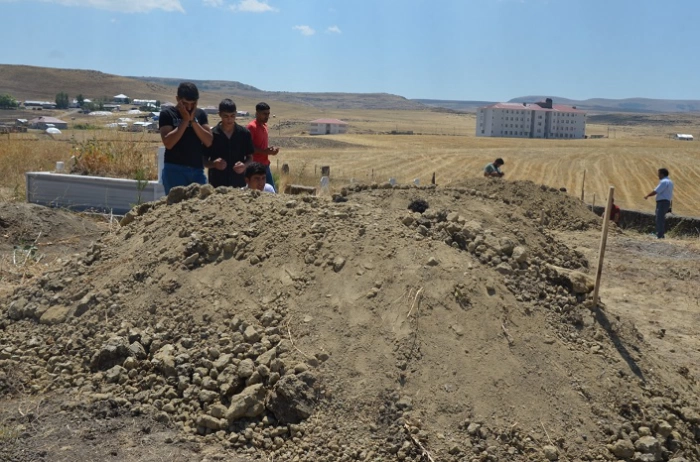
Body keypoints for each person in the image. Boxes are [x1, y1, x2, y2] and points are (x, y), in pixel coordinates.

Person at [159, 82, 213, 194]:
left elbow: (208, 141)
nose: (189, 107)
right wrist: (185, 121)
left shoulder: (200, 115)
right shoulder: (167, 114)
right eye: (185, 103)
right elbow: (168, 143)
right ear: (177, 99)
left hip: (197, 170)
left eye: (193, 104)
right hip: (174, 170)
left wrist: (193, 121)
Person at [204, 99, 254, 188]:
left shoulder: (244, 134)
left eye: (232, 116)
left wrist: (244, 166)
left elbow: (250, 158)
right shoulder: (211, 135)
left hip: (239, 183)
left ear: (236, 114)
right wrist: (214, 164)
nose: (229, 119)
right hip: (217, 184)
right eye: (226, 116)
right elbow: (203, 161)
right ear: (219, 114)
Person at [247, 102, 279, 192]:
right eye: (264, 114)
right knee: (255, 192)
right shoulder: (251, 127)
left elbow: (261, 146)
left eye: (268, 114)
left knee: (271, 191)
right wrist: (265, 151)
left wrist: (271, 150)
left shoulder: (265, 126)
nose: (267, 116)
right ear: (257, 113)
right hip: (254, 167)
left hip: (265, 165)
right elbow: (248, 148)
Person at [644, 168, 674, 239]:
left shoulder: (664, 182)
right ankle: (660, 234)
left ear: (662, 174)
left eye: (659, 174)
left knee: (659, 218)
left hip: (662, 202)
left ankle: (660, 235)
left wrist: (647, 195)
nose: (658, 175)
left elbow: (656, 191)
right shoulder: (670, 182)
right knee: (660, 218)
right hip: (666, 202)